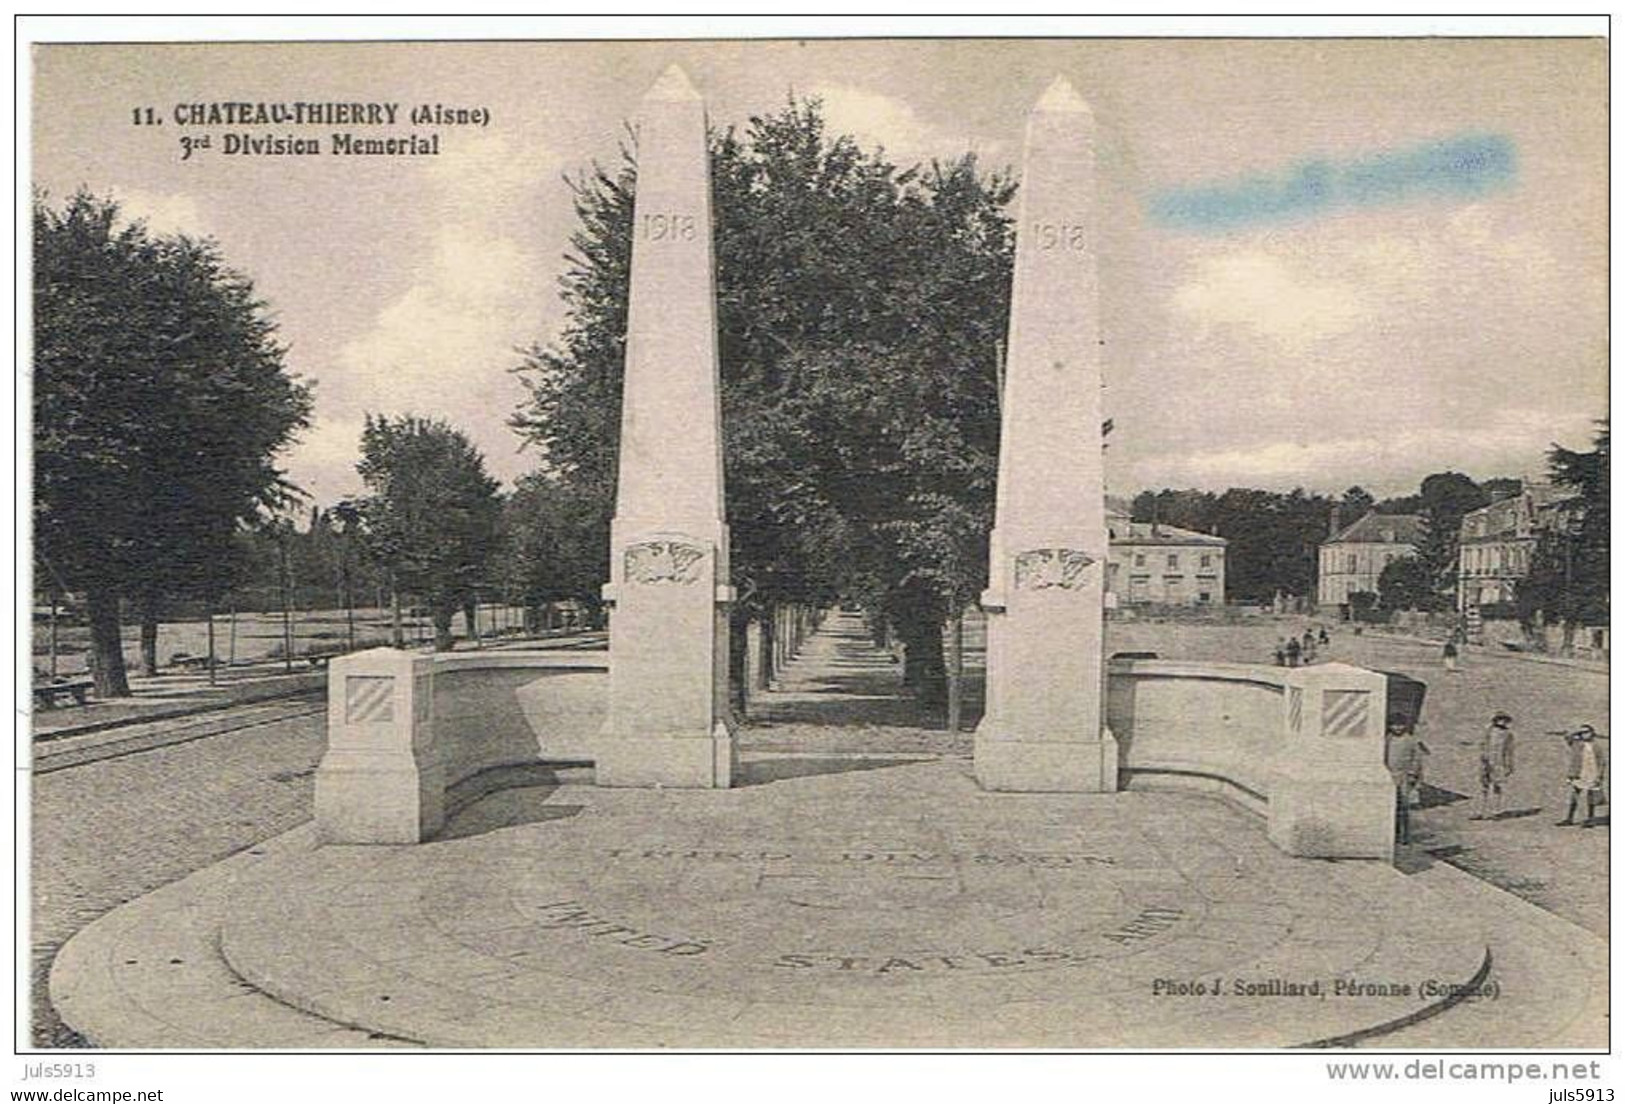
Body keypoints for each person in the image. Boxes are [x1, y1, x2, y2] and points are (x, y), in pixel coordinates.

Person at [1385, 718, 1429, 844]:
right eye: (1394, 725)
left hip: (1404, 776)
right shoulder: (1387, 739)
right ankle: (1393, 834)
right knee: (1390, 806)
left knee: (1403, 807)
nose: (1397, 728)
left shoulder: (1410, 740)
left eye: (1400, 725)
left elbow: (1417, 759)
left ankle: (1404, 836)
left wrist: (1412, 775)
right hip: (1389, 775)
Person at [1557, 724, 1608, 828]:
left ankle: (1590, 819)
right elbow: (1568, 738)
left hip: (1592, 773)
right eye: (1582, 733)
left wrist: (1599, 776)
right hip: (1579, 773)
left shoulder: (1596, 746)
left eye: (1587, 732)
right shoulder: (1577, 744)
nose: (1585, 735)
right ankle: (1569, 818)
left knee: (1592, 798)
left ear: (1592, 733)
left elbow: (1602, 762)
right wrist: (1576, 733)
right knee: (1574, 795)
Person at [1468, 712, 1515, 820]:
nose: (1502, 722)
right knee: (1483, 787)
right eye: (1500, 719)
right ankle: (1480, 810)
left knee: (1497, 786)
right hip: (1486, 761)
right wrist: (1482, 756)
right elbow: (1483, 744)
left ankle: (1495, 811)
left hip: (1499, 763)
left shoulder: (1508, 734)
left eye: (1504, 720)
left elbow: (1509, 751)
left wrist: (1509, 766)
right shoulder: (1489, 731)